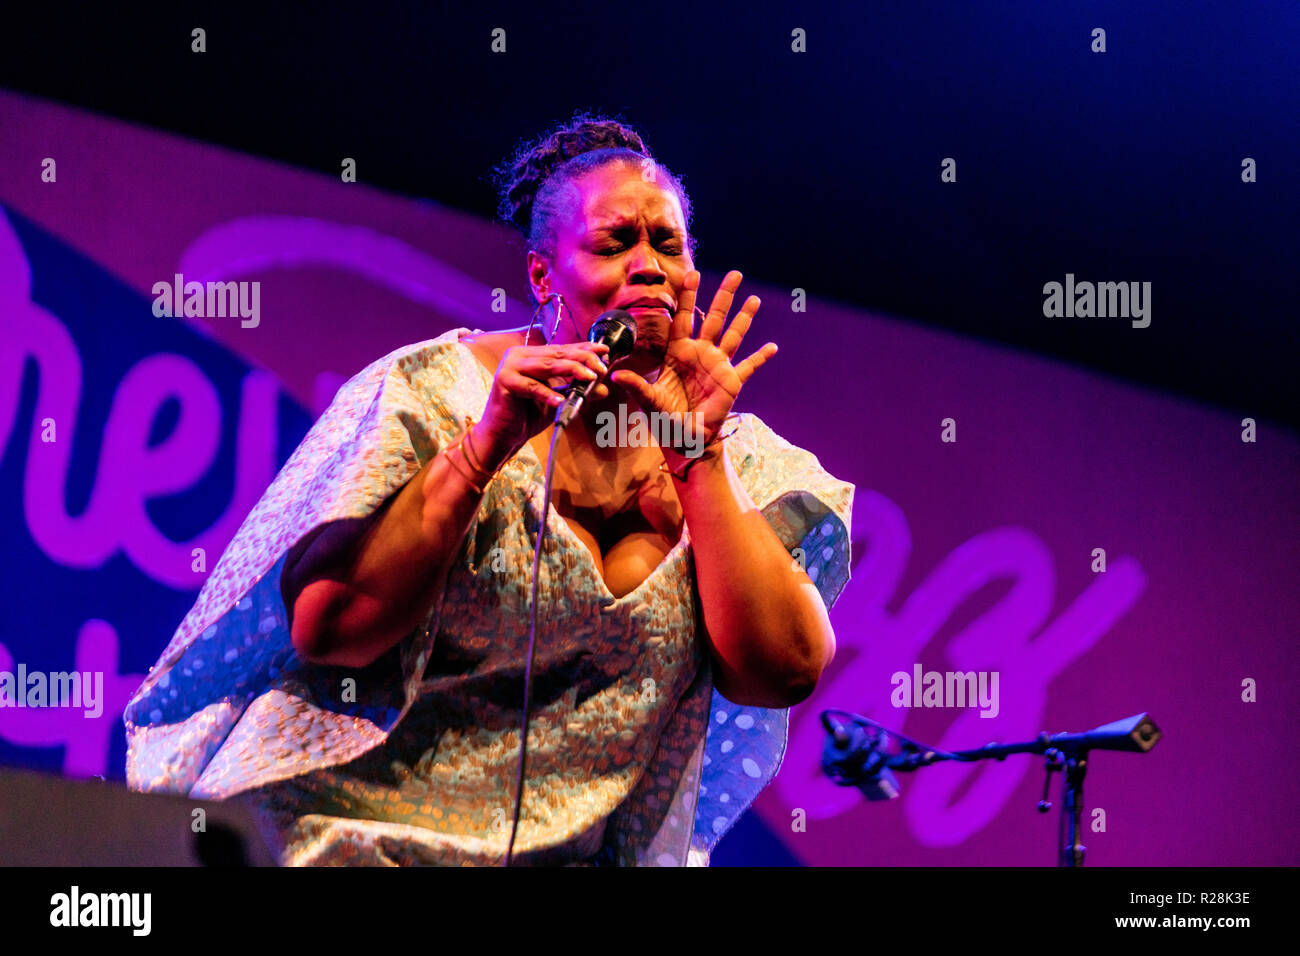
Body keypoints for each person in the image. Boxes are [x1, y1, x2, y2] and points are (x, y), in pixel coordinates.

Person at [123, 111, 854, 866]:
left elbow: (784, 669)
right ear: (542, 275)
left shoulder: (736, 452)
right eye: (615, 243)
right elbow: (333, 628)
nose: (648, 266)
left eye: (667, 243)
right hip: (344, 841)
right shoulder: (435, 396)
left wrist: (696, 456)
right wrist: (481, 452)